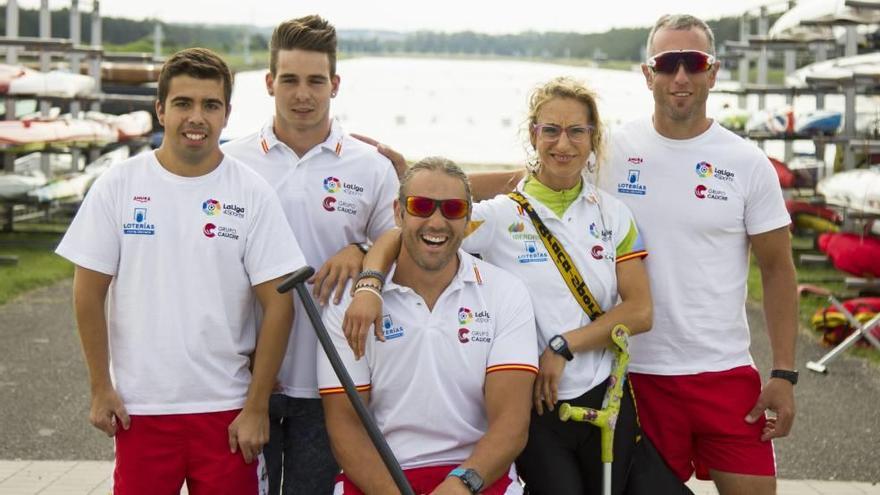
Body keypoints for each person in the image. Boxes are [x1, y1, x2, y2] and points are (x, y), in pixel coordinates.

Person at [345, 78, 653, 495]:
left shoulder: (615, 214)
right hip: (537, 406)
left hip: (604, 395)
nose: (564, 143)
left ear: (593, 138)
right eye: (551, 130)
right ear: (534, 135)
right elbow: (408, 235)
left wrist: (563, 345)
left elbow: (639, 311)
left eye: (577, 131)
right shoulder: (498, 217)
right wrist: (368, 282)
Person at [55, 48, 306, 494]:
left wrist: (256, 406)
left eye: (210, 105)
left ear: (227, 114)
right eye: (183, 103)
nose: (197, 117)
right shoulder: (119, 185)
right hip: (141, 409)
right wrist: (100, 387)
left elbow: (279, 304)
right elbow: (88, 292)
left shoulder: (252, 193)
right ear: (160, 110)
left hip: (226, 412)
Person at [598, 14, 798, 495]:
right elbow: (531, 185)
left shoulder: (747, 162)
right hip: (636, 375)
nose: (680, 77)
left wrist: (785, 373)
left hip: (724, 374)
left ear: (714, 71)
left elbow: (777, 269)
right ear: (648, 74)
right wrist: (414, 179)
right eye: (667, 64)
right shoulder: (609, 152)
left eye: (694, 62)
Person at [221, 14, 400, 495]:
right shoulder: (231, 162)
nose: (303, 94)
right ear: (269, 83)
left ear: (335, 84)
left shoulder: (371, 166)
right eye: (290, 80)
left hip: (332, 382)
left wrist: (362, 248)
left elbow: (401, 245)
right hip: (243, 379)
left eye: (316, 81)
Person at [320, 158, 538, 494]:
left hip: (474, 475)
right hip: (382, 477)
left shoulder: (505, 292)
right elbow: (346, 426)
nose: (437, 222)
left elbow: (510, 425)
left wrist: (462, 484)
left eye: (452, 209)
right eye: (421, 206)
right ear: (398, 213)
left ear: (468, 219)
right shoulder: (349, 303)